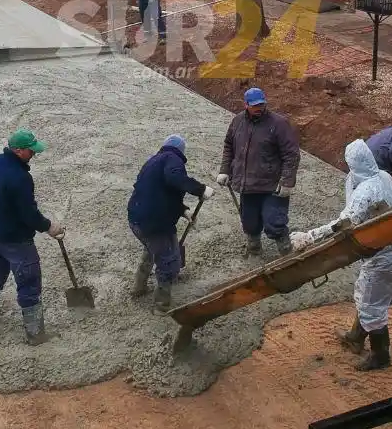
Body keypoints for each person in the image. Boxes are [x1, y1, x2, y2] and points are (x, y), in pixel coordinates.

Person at [289, 139, 392, 371]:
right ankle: (355, 338)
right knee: (367, 296)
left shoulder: (365, 192)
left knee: (371, 303)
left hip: (382, 254)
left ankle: (381, 355)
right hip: (390, 246)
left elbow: (342, 224)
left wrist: (309, 236)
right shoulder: (386, 178)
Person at [0, 129, 64, 344]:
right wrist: (49, 227)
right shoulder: (21, 178)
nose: (34, 154)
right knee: (29, 283)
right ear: (18, 150)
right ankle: (35, 334)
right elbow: (29, 214)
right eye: (30, 151)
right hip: (18, 240)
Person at [128, 134, 214, 310]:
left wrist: (183, 210)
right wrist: (200, 189)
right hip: (155, 223)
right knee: (168, 262)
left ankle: (138, 287)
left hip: (137, 219)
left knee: (151, 249)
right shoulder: (173, 159)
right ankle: (162, 305)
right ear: (181, 150)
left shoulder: (153, 161)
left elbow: (160, 193)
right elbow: (174, 178)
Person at [217, 87, 300, 256]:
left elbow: (291, 154)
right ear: (246, 104)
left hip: (271, 185)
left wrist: (286, 182)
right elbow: (229, 146)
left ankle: (286, 250)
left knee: (274, 221)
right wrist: (225, 170)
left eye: (261, 104)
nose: (259, 108)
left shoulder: (278, 124)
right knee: (249, 222)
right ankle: (254, 247)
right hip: (247, 184)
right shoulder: (238, 121)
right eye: (254, 105)